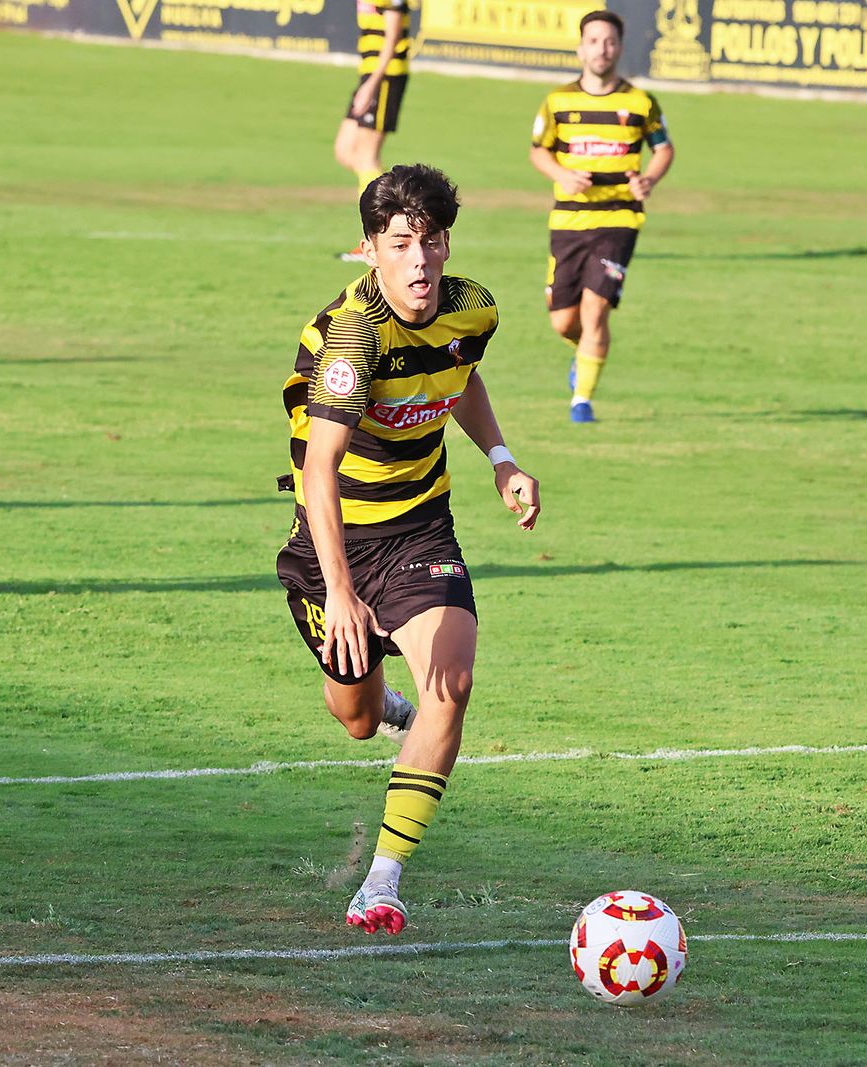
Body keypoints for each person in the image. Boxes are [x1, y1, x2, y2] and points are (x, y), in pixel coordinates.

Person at [277, 164, 542, 935]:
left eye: (430, 241)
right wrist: (339, 591)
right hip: (335, 539)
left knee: (451, 683)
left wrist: (502, 461)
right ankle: (384, 703)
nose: (420, 260)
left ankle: (381, 881)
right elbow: (317, 467)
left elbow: (461, 377)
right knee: (355, 717)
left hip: (421, 527)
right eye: (400, 245)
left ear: (447, 241)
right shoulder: (354, 336)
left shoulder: (473, 308)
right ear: (370, 252)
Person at [529, 10, 674, 423]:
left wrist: (648, 180)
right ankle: (584, 353)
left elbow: (663, 148)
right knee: (563, 321)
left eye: (609, 42)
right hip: (568, 221)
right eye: (593, 41)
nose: (602, 49)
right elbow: (538, 150)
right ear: (581, 48)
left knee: (595, 311)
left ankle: (582, 401)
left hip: (619, 219)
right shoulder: (558, 101)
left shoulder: (640, 102)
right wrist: (561, 173)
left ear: (619, 48)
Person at [333, 0, 413, 262]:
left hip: (385, 76)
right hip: (369, 76)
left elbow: (392, 39)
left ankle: (379, 233)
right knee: (346, 151)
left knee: (367, 156)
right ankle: (390, 204)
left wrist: (372, 84)